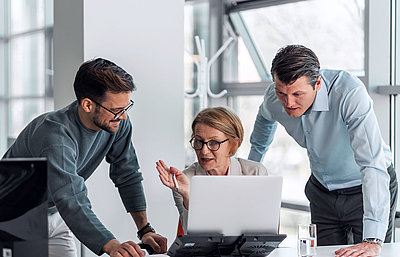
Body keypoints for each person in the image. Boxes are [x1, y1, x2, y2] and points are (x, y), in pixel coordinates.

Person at [2, 58, 167, 257]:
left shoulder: (117, 122)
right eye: (116, 110)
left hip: (56, 213)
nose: (123, 116)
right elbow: (71, 196)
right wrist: (111, 244)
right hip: (16, 214)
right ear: (88, 105)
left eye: (126, 108)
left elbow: (127, 173)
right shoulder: (56, 136)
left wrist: (145, 230)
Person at [248, 45, 398, 257]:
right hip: (322, 192)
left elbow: (371, 163)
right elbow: (263, 125)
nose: (288, 103)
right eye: (282, 93)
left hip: (366, 189)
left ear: (317, 84)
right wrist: (250, 173)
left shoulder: (348, 93)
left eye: (298, 94)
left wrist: (373, 239)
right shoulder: (275, 99)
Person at [156, 107, 267, 233]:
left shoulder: (255, 173)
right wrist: (187, 195)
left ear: (233, 145)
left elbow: (262, 230)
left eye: (214, 143)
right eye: (198, 141)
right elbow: (190, 234)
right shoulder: (185, 179)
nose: (204, 151)